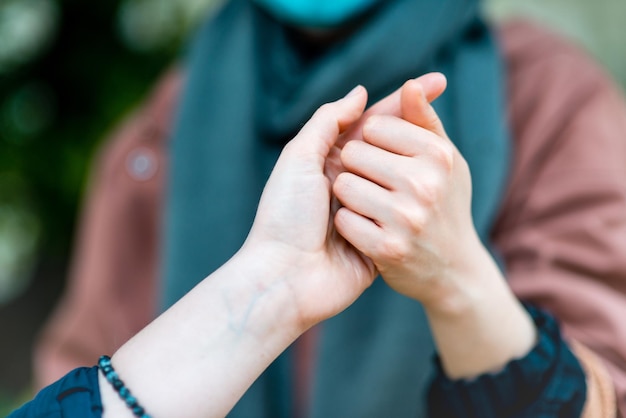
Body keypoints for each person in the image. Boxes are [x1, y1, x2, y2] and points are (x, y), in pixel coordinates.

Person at [34, 0, 626, 416]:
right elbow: (87, 367)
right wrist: (268, 291)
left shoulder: (549, 97)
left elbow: (606, 390)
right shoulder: (162, 131)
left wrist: (458, 280)